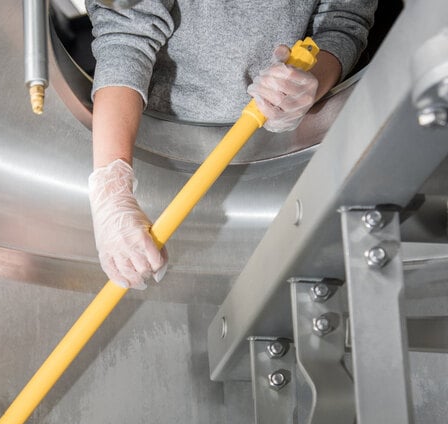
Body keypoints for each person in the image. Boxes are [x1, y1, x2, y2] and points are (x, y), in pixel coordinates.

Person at [85, 0, 378, 290]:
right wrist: (111, 188)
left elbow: (343, 23)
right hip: (160, 147)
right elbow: (126, 34)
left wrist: (307, 84)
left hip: (291, 151)